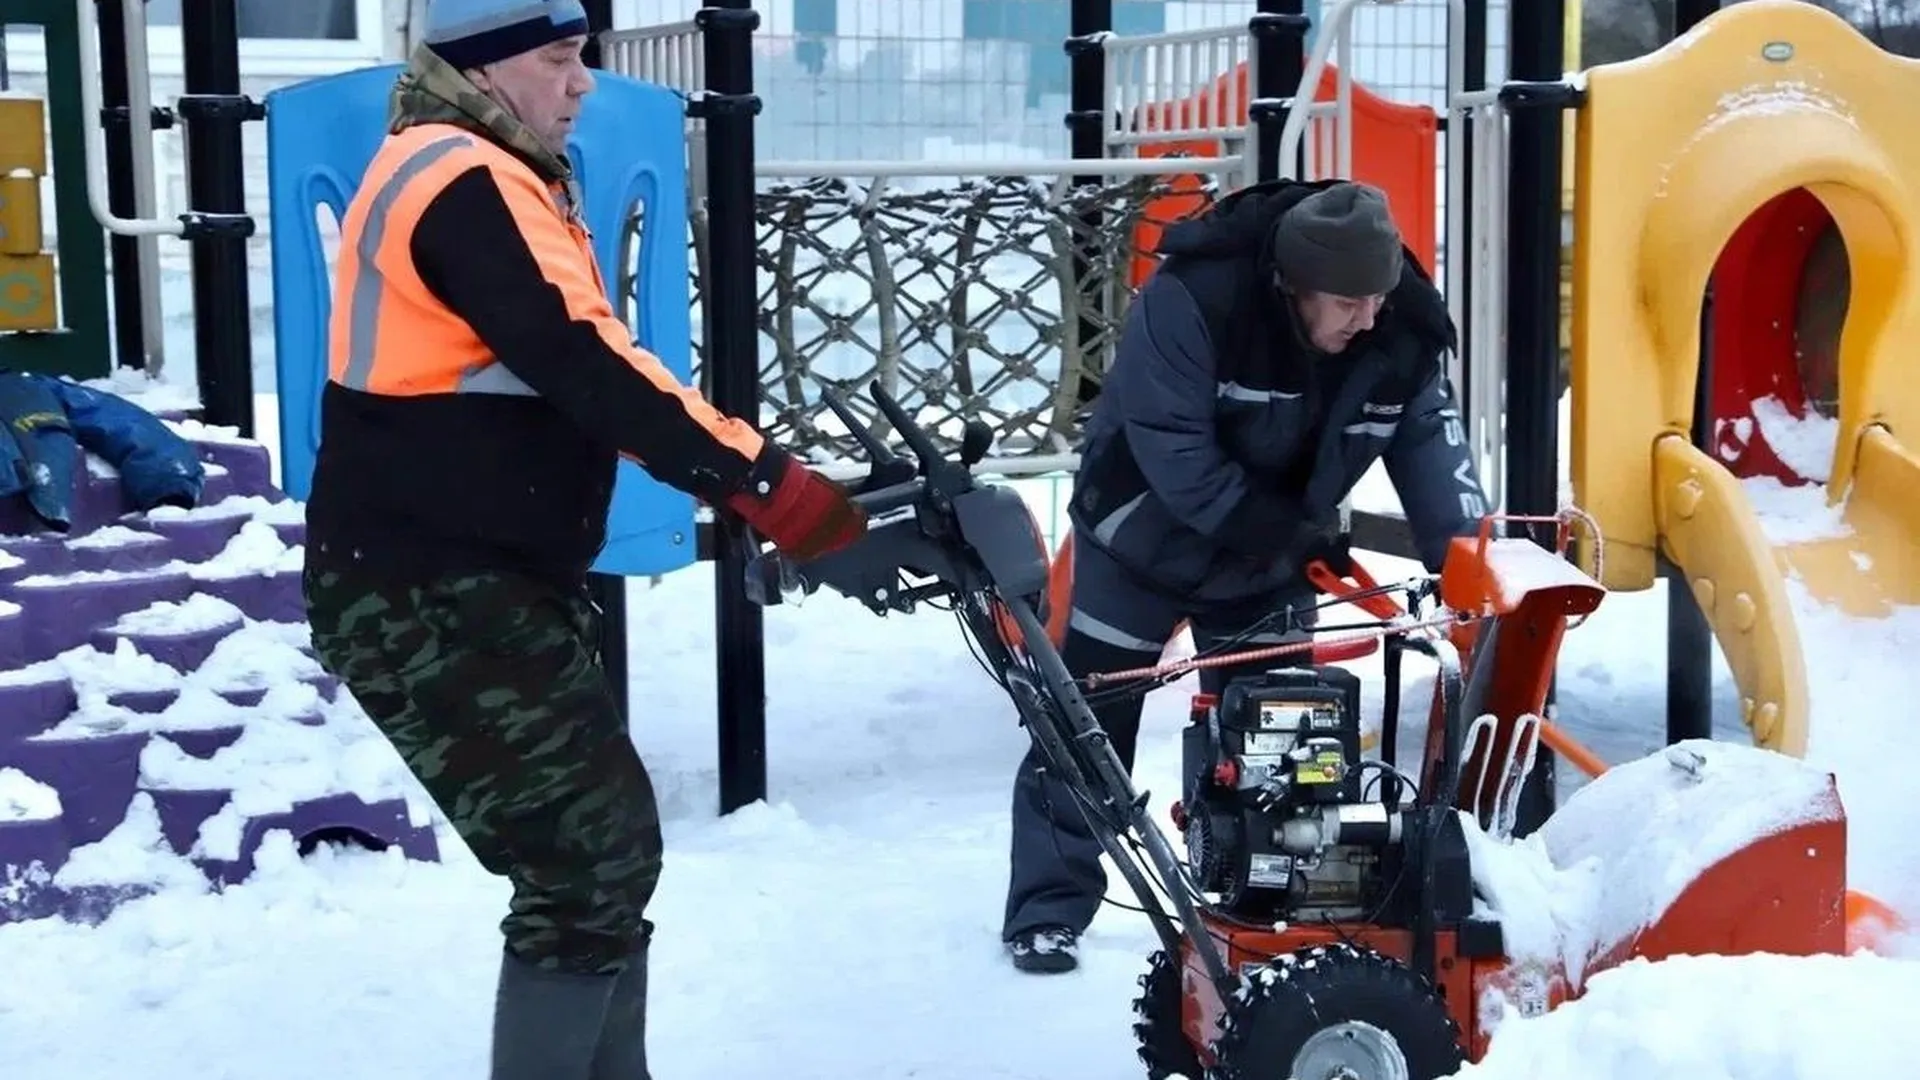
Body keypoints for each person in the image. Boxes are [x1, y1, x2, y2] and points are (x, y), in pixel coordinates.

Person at [299, 2, 868, 1075]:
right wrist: (769, 488)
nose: (583, 84)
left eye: (584, 58)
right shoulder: (459, 178)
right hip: (430, 587)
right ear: (482, 67)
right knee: (587, 867)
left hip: (474, 574)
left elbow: (586, 363)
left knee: (600, 865)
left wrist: (757, 477)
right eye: (559, 60)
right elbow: (585, 365)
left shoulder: (479, 166)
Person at [1000, 179, 1491, 974]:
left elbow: (1430, 442)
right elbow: (1173, 452)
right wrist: (1288, 536)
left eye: (1378, 298)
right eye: (1346, 303)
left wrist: (1470, 557)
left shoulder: (1396, 323)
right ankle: (1047, 909)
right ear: (1292, 286)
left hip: (1271, 557)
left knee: (1286, 735)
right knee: (1090, 721)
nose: (1368, 319)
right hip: (1141, 539)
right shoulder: (1193, 299)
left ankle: (1269, 909)